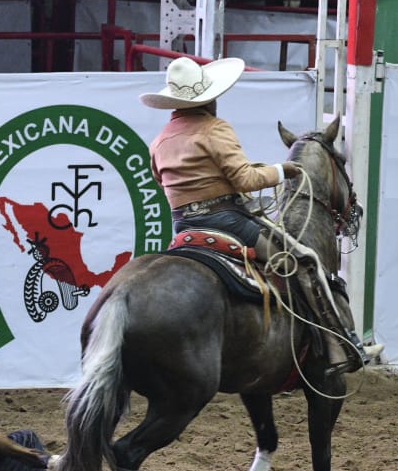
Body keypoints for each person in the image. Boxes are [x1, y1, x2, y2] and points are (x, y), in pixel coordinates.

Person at [140, 55, 374, 375]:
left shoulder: (160, 140)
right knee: (304, 259)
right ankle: (339, 345)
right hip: (226, 222)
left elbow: (165, 180)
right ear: (208, 99)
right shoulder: (214, 129)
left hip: (183, 227)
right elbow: (245, 182)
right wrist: (281, 171)